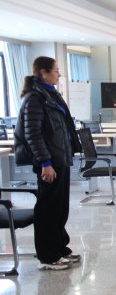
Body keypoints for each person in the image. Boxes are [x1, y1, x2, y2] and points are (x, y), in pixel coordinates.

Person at [14, 56, 82, 270]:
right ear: (43, 73)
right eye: (55, 70)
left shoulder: (50, 95)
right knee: (48, 209)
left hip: (60, 157)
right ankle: (48, 255)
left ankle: (60, 247)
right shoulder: (35, 98)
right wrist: (45, 162)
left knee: (60, 208)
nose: (59, 74)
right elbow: (33, 134)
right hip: (49, 161)